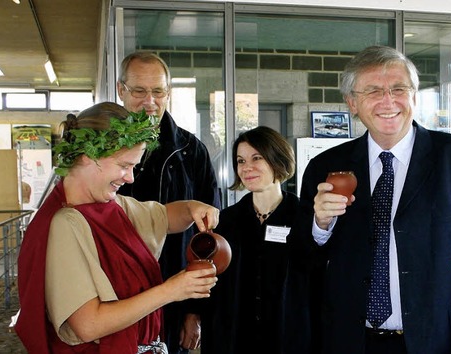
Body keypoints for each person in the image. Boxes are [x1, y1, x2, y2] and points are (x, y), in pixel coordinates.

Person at [286, 45, 451, 354]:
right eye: (373, 91)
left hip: (436, 343)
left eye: (399, 89)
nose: (388, 101)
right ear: (352, 103)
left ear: (414, 96)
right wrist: (319, 226)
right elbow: (300, 268)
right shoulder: (325, 168)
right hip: (349, 342)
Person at [15, 102, 219, 353]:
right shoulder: (64, 223)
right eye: (124, 165)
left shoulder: (113, 205)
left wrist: (191, 207)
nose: (130, 178)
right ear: (88, 155)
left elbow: (166, 217)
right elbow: (88, 324)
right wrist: (171, 291)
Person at [116, 51, 222, 353]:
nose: (149, 102)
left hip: (175, 297)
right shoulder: (103, 151)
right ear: (121, 90)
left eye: (158, 91)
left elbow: (208, 240)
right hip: (114, 296)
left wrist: (194, 311)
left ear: (168, 93)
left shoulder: (192, 151)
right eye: (139, 91)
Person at [200, 126, 298, 354]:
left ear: (277, 159)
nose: (247, 168)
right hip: (234, 339)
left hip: (288, 338)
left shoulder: (304, 218)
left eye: (257, 158)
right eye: (240, 161)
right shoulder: (224, 222)